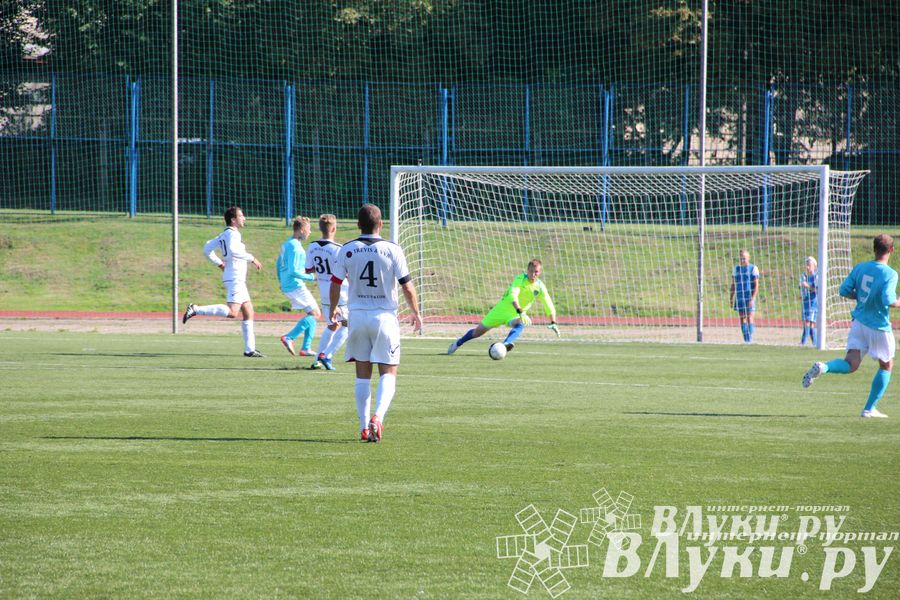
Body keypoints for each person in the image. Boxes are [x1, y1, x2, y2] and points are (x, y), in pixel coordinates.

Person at [330, 204, 422, 442]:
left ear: (358, 224)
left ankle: (363, 426)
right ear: (381, 225)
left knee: (362, 375)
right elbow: (407, 285)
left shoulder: (347, 249)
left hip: (358, 317)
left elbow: (336, 283)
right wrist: (416, 312)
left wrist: (332, 309)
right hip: (385, 317)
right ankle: (377, 418)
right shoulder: (392, 249)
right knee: (388, 373)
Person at [803, 234, 900, 418]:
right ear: (891, 250)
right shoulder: (890, 273)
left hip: (859, 323)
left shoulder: (861, 268)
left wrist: (863, 296)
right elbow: (888, 299)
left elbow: (843, 290)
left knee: (851, 363)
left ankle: (824, 367)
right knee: (886, 365)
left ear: (874, 248)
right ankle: (869, 409)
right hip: (878, 326)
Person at [182, 206, 264, 357]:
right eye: (241, 216)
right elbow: (234, 251)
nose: (244, 218)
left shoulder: (224, 234)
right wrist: (252, 258)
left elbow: (207, 248)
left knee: (249, 312)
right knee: (233, 312)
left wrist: (220, 263)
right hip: (235, 278)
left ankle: (250, 349)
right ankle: (195, 309)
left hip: (235, 277)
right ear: (233, 220)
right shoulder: (233, 234)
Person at [447, 259, 559, 356]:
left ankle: (506, 344)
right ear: (527, 270)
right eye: (531, 271)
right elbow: (513, 295)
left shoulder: (540, 287)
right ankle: (458, 343)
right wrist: (519, 310)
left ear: (540, 272)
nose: (533, 274)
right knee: (477, 332)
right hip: (500, 311)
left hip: (515, 315)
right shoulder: (520, 279)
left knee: (521, 323)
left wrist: (553, 321)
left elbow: (548, 303)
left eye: (536, 272)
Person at [305, 214, 349, 371]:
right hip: (340, 293)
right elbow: (346, 272)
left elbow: (308, 269)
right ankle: (327, 355)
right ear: (334, 228)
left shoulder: (312, 246)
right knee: (347, 325)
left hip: (324, 292)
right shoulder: (338, 249)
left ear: (320, 228)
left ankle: (317, 359)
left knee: (332, 325)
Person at [276, 216, 321, 357]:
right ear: (301, 230)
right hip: (294, 285)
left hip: (288, 284)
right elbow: (294, 271)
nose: (310, 232)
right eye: (308, 229)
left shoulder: (287, 243)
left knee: (312, 314)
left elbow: (278, 264)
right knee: (316, 314)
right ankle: (289, 337)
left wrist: (281, 281)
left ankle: (306, 348)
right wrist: (312, 277)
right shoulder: (295, 247)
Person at [730, 249, 759, 343]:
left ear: (748, 258)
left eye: (744, 258)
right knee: (742, 318)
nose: (742, 260)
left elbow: (756, 285)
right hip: (739, 297)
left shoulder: (753, 268)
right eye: (741, 258)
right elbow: (733, 284)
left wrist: (753, 298)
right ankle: (746, 340)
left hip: (749, 297)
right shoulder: (736, 269)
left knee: (750, 317)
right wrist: (731, 297)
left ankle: (749, 339)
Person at [800, 256, 819, 346]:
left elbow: (816, 289)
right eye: (806, 265)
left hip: (813, 302)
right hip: (805, 302)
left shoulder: (816, 277)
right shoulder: (803, 276)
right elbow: (802, 286)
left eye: (809, 265)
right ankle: (815, 343)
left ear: (814, 266)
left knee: (809, 322)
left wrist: (808, 286)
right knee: (809, 323)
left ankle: (803, 342)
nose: (807, 267)